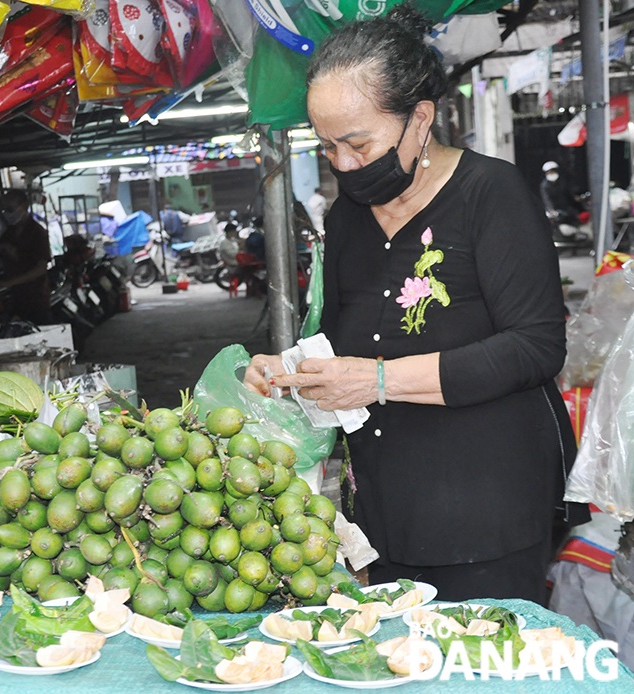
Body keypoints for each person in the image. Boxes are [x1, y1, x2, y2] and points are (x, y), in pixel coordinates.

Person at [243, 5, 584, 604]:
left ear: (420, 119)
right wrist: (291, 370)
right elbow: (346, 341)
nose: (344, 165)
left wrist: (379, 380)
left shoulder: (491, 195)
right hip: (383, 508)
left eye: (357, 143)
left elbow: (535, 347)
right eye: (327, 148)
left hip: (486, 505)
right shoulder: (346, 216)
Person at [0, 189, 52, 325]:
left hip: (35, 298)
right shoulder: (10, 231)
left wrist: (10, 283)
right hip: (15, 298)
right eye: (4, 210)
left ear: (23, 206)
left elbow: (41, 269)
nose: (7, 213)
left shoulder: (37, 232)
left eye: (10, 209)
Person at [540, 161, 582, 227]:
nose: (551, 173)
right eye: (549, 171)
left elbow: (569, 192)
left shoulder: (563, 181)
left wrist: (575, 198)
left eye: (553, 170)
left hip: (567, 208)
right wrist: (551, 209)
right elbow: (546, 198)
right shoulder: (545, 186)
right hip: (556, 211)